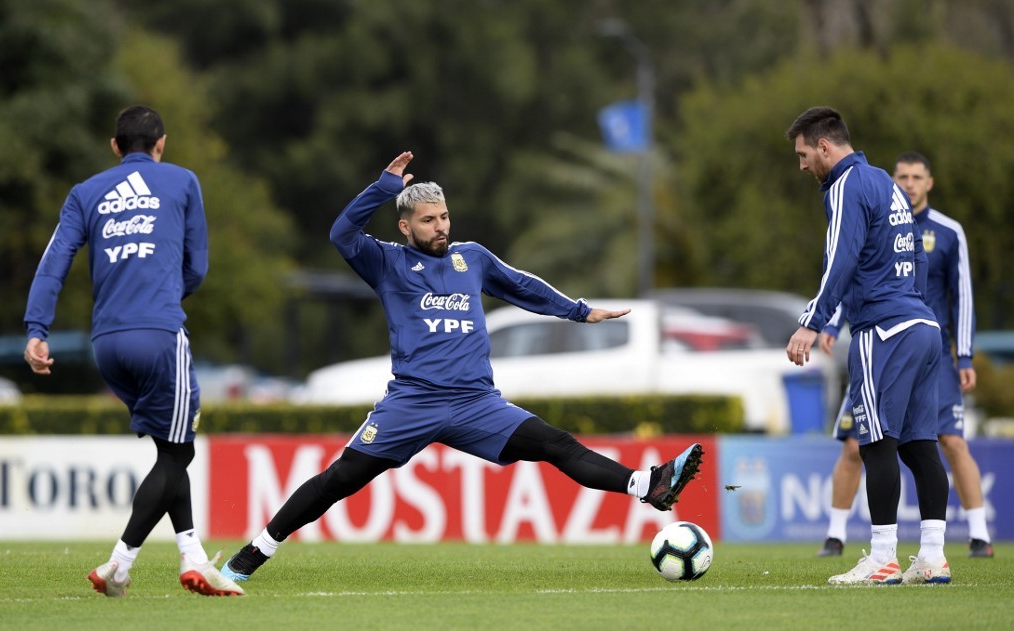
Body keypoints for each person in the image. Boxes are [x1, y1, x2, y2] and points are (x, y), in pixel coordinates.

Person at [219, 152, 704, 582]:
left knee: (556, 445)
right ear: (405, 227)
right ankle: (252, 554)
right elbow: (341, 232)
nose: (441, 227)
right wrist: (385, 187)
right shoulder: (384, 262)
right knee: (339, 480)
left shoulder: (469, 259)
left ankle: (650, 485)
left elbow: (523, 286)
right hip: (412, 402)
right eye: (428, 220)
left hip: (476, 403)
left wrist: (578, 310)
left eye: (445, 216)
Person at [23, 105, 243, 598]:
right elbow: (197, 268)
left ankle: (192, 557)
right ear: (160, 144)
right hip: (159, 334)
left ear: (115, 147)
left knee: (170, 450)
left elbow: (54, 261)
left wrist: (38, 327)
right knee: (181, 449)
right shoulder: (183, 181)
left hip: (107, 343)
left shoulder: (85, 192)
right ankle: (118, 565)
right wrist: (163, 291)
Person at [785, 107, 951, 585]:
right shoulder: (886, 183)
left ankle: (883, 558)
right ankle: (934, 557)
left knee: (875, 442)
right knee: (921, 447)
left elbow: (840, 258)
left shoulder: (845, 186)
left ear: (824, 146)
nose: (801, 166)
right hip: (923, 326)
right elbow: (916, 254)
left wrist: (811, 322)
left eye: (802, 154)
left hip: (884, 330)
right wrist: (915, 304)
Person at [816, 152, 993, 559]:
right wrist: (832, 323)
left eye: (916, 177)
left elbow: (961, 295)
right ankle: (911, 551)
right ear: (894, 180)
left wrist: (964, 355)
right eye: (903, 176)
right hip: (919, 333)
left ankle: (894, 555)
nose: (909, 183)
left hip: (891, 337)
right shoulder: (888, 214)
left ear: (929, 182)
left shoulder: (948, 231)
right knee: (906, 445)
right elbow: (861, 269)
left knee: (914, 442)